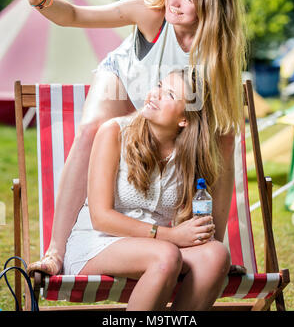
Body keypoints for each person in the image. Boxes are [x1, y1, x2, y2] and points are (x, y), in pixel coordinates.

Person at [25, 0, 246, 277]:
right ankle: (56, 251)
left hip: (168, 99)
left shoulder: (218, 51)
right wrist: (42, 1)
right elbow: (75, 16)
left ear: (211, 7)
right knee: (92, 129)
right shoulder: (152, 11)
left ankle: (210, 245)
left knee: (224, 140)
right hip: (125, 79)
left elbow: (218, 133)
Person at [63, 68, 231, 311]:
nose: (155, 94)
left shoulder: (191, 156)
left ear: (184, 120)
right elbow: (101, 218)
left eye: (169, 94)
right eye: (159, 85)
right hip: (98, 244)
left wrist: (195, 234)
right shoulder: (114, 133)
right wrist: (172, 236)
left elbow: (191, 219)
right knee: (165, 256)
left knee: (216, 255)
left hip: (159, 250)